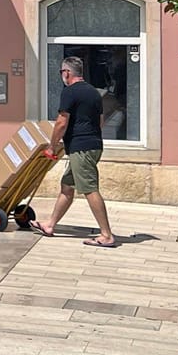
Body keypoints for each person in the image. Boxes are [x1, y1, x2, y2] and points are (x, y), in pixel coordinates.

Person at [32, 56, 116, 247]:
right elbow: (100, 122)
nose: (62, 76)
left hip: (81, 149)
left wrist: (52, 146)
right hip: (93, 145)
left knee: (89, 189)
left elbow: (62, 122)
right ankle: (50, 225)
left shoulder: (70, 92)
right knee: (67, 186)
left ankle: (106, 235)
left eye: (62, 72)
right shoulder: (94, 93)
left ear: (67, 73)